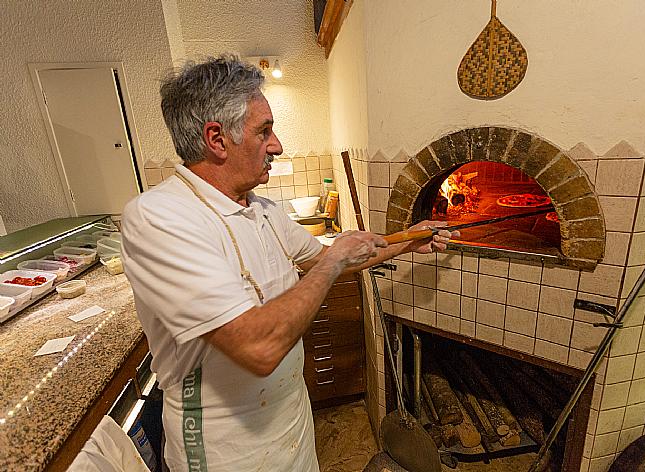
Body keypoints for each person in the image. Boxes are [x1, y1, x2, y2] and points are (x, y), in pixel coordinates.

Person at [121, 54, 458, 472]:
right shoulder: (160, 218)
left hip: (292, 424)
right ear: (216, 138)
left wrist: (407, 243)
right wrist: (334, 260)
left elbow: (328, 258)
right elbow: (259, 347)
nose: (276, 145)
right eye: (264, 131)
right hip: (227, 450)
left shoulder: (259, 209)